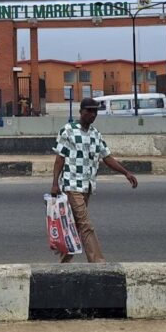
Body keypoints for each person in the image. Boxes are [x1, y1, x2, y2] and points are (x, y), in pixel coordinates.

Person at [50, 97, 138, 263]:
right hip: (71, 184)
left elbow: (107, 157)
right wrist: (55, 183)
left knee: (77, 226)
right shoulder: (68, 130)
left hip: (87, 186)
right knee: (85, 224)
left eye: (94, 111)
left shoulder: (96, 134)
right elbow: (59, 159)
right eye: (88, 110)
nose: (92, 114)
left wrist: (126, 172)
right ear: (81, 112)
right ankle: (98, 262)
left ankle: (63, 264)